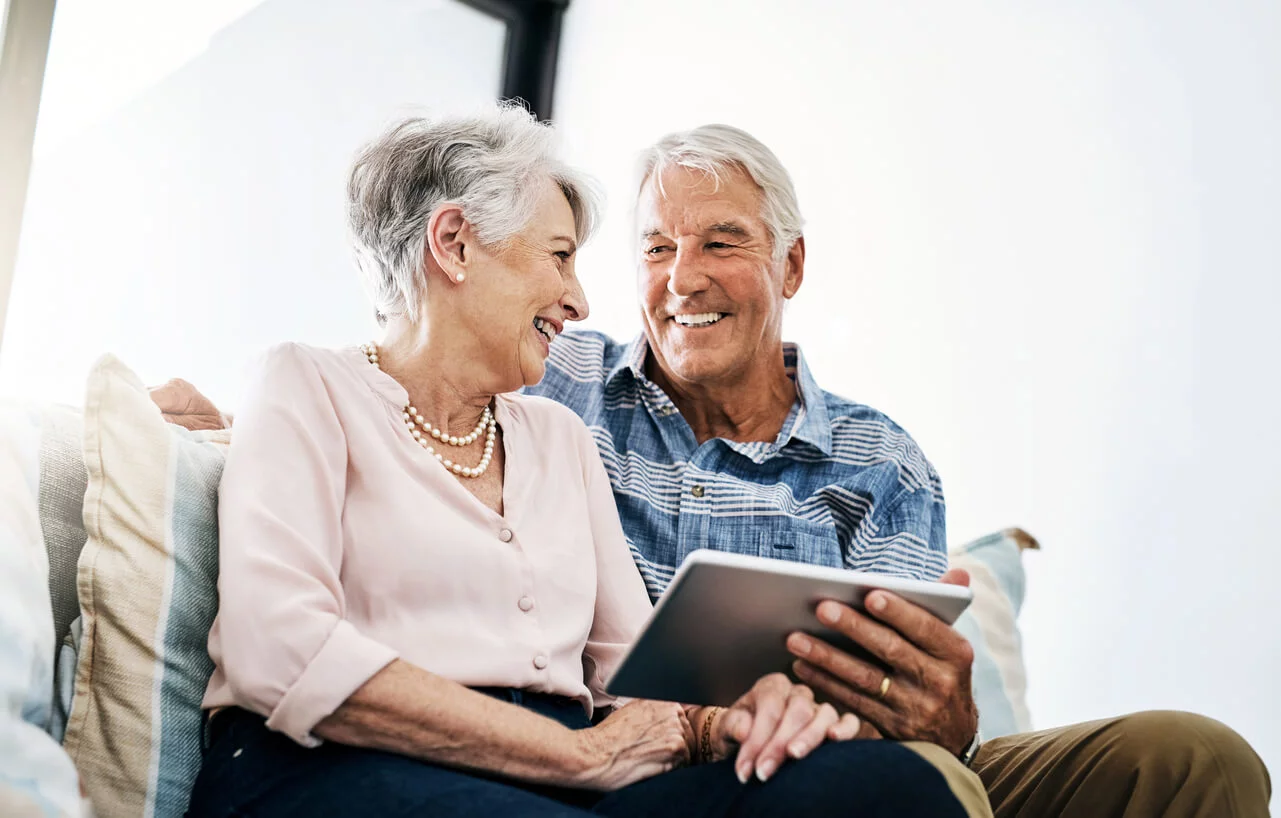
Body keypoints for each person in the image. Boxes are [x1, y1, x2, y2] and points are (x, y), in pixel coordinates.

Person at [160, 121, 1271, 816]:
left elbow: (638, 672)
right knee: (907, 793)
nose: (671, 278)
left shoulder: (880, 462)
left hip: (813, 746)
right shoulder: (558, 379)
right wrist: (217, 423)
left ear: (789, 262)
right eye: (650, 247)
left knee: (1180, 758)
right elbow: (401, 360)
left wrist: (932, 715)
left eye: (719, 242)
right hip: (657, 759)